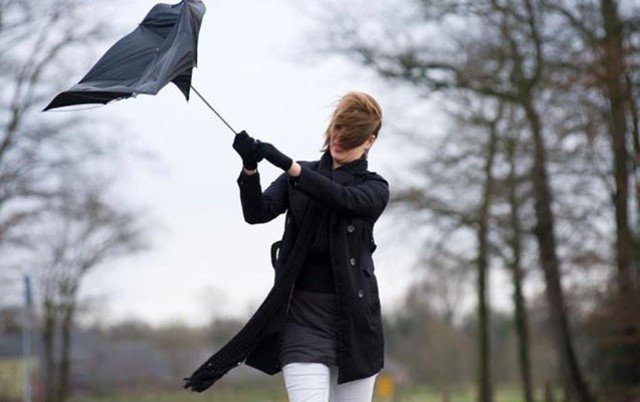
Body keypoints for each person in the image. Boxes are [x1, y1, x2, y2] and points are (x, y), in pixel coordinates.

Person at [230, 91, 389, 402]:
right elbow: (257, 213)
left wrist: (292, 168)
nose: (340, 139)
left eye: (352, 136)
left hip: (355, 329)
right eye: (337, 129)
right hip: (302, 324)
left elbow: (343, 199)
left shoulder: (374, 188)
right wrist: (250, 168)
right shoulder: (299, 177)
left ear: (369, 141)